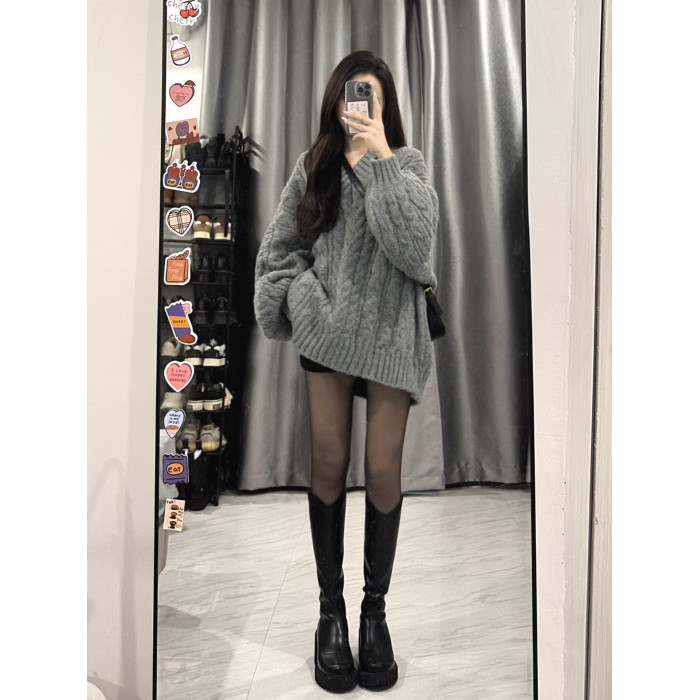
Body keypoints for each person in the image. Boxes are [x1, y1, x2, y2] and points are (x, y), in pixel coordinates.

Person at [253, 50, 439, 693]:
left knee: (383, 470)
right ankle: (330, 613)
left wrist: (380, 158)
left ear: (386, 108)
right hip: (327, 334)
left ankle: (373, 614)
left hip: (390, 337)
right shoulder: (315, 167)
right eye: (351, 94)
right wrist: (300, 301)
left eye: (372, 96)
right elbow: (280, 250)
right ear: (335, 102)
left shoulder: (407, 165)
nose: (360, 105)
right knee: (329, 465)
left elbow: (416, 253)